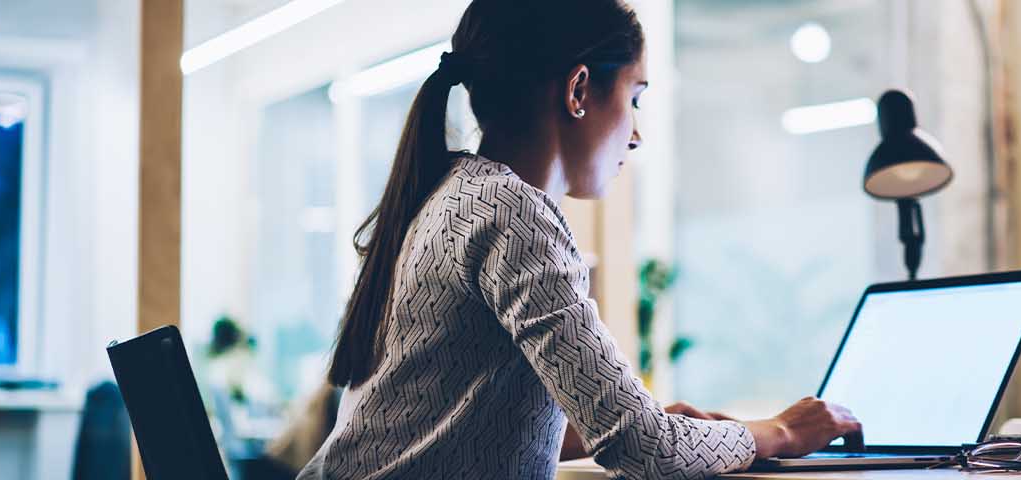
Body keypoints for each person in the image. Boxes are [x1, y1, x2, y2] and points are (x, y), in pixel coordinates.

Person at [298, 1, 861, 478]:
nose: (636, 133)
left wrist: (615, 422)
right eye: (635, 96)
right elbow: (643, 450)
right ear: (579, 90)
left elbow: (455, 410)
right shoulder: (514, 212)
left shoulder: (454, 193)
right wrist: (782, 430)